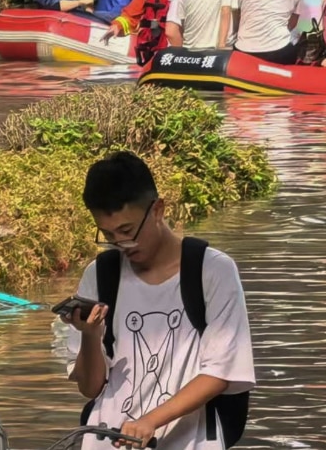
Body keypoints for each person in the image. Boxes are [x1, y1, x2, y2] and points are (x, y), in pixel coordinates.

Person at [63, 151, 256, 450]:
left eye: (127, 231)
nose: (121, 244)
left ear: (157, 210)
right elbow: (91, 388)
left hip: (188, 440)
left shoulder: (212, 270)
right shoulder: (100, 274)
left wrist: (151, 420)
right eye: (108, 235)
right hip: (106, 440)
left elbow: (221, 372)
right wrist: (90, 336)